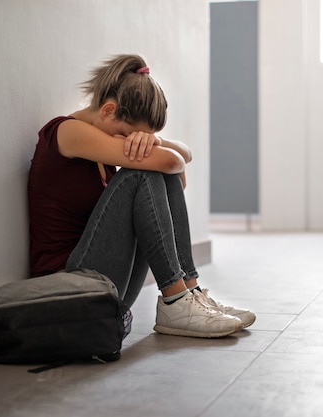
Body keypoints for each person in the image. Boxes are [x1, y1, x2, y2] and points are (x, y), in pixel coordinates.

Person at [28, 54, 255, 338]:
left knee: (155, 170)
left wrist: (155, 140)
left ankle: (189, 292)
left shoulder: (103, 143)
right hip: (67, 286)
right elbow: (174, 162)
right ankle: (175, 300)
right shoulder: (67, 131)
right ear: (109, 110)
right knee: (141, 173)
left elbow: (183, 157)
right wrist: (160, 153)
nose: (128, 141)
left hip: (106, 282)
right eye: (128, 134)